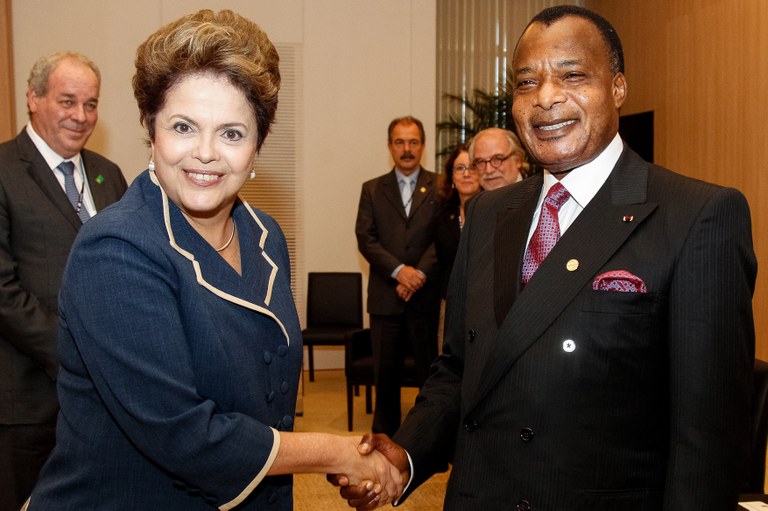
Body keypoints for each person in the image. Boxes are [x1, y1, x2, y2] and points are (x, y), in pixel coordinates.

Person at [336, 5, 756, 510]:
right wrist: (406, 456)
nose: (546, 97)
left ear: (618, 87)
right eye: (526, 82)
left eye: (573, 75)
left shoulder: (696, 216)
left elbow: (707, 439)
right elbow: (460, 369)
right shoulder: (489, 213)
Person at [25, 10, 402, 510]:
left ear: (258, 146)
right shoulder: (114, 248)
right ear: (151, 131)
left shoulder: (265, 234)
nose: (205, 153)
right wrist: (339, 453)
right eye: (183, 126)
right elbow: (184, 435)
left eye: (231, 133)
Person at [0, 51, 127, 511]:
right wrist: (77, 353)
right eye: (67, 101)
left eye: (91, 104)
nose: (81, 116)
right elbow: (3, 292)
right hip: (27, 399)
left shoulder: (109, 176)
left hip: (102, 401)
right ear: (33, 99)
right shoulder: (3, 170)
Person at [355, 116, 441, 437]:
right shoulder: (372, 189)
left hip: (424, 296)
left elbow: (443, 238)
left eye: (413, 142)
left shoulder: (441, 186)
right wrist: (399, 272)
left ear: (423, 145)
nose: (407, 149)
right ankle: (383, 438)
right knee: (386, 376)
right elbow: (366, 238)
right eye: (400, 142)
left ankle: (427, 437)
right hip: (385, 297)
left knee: (429, 374)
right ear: (390, 146)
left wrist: (418, 274)